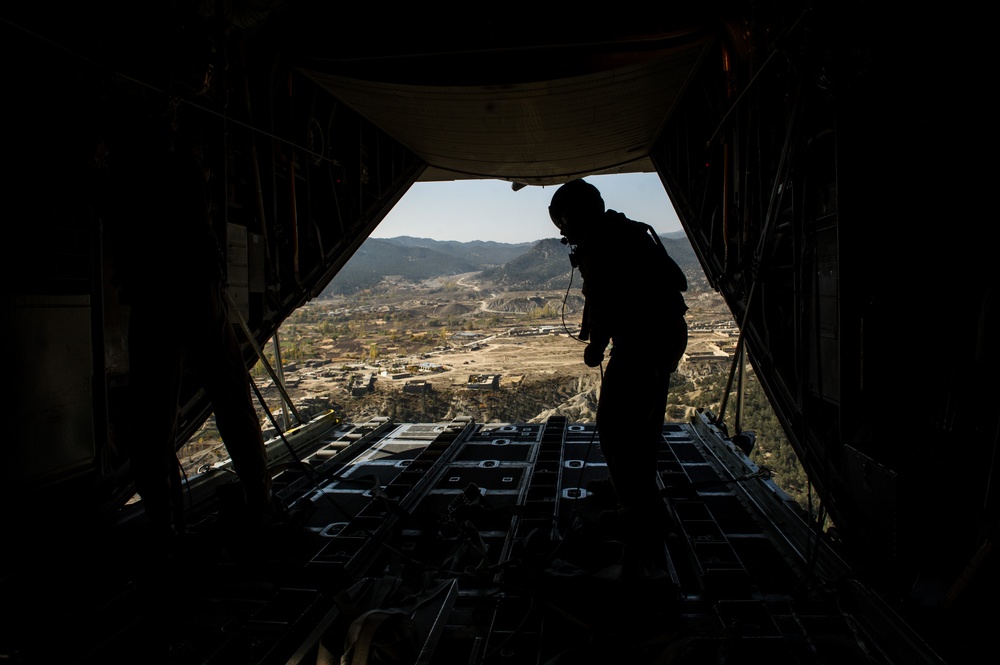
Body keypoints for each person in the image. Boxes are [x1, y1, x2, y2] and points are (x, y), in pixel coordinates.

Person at [105, 112, 278, 544]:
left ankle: (163, 529)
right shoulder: (181, 168)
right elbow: (200, 229)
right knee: (231, 395)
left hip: (150, 296)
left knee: (153, 418)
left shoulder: (121, 175)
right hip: (196, 290)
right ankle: (260, 503)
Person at [548, 178, 688, 571]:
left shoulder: (603, 244)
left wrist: (595, 347)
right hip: (661, 335)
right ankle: (629, 489)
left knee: (615, 427)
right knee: (642, 423)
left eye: (564, 224)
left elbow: (605, 302)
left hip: (644, 341)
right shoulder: (627, 231)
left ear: (576, 217)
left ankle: (641, 516)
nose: (564, 234)